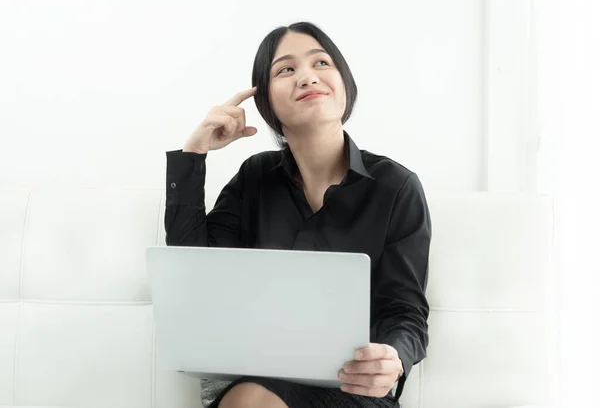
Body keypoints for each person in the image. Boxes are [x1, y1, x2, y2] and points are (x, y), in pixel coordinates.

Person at [164, 21, 431, 408]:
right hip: (259, 381)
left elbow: (405, 310)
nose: (306, 77)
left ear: (344, 84)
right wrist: (194, 154)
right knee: (253, 397)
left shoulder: (395, 186)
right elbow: (195, 272)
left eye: (321, 63)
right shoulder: (254, 178)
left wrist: (393, 357)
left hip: (349, 391)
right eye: (285, 69)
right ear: (268, 102)